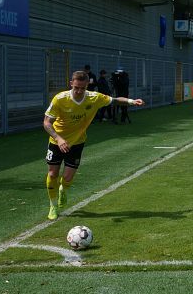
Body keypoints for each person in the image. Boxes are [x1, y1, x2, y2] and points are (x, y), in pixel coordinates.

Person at [43, 70, 144, 220]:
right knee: (52, 174)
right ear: (71, 84)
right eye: (76, 87)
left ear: (87, 86)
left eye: (82, 88)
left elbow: (114, 100)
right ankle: (53, 206)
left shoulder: (94, 98)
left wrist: (131, 101)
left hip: (77, 142)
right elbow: (46, 123)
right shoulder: (60, 99)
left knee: (68, 178)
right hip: (57, 141)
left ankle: (62, 189)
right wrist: (58, 139)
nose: (79, 91)